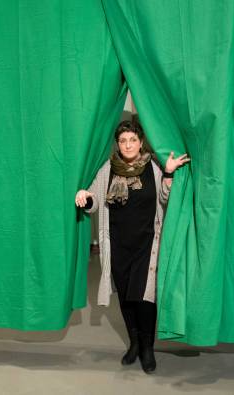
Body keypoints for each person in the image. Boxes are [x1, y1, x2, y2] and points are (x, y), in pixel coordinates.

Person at [75, 118, 189, 373]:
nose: (128, 145)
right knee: (127, 298)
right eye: (123, 141)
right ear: (117, 144)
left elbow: (165, 198)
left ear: (141, 142)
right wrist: (85, 196)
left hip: (147, 244)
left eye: (133, 140)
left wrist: (169, 173)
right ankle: (134, 344)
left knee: (145, 299)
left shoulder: (154, 167)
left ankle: (148, 348)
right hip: (117, 245)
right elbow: (94, 199)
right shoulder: (109, 168)